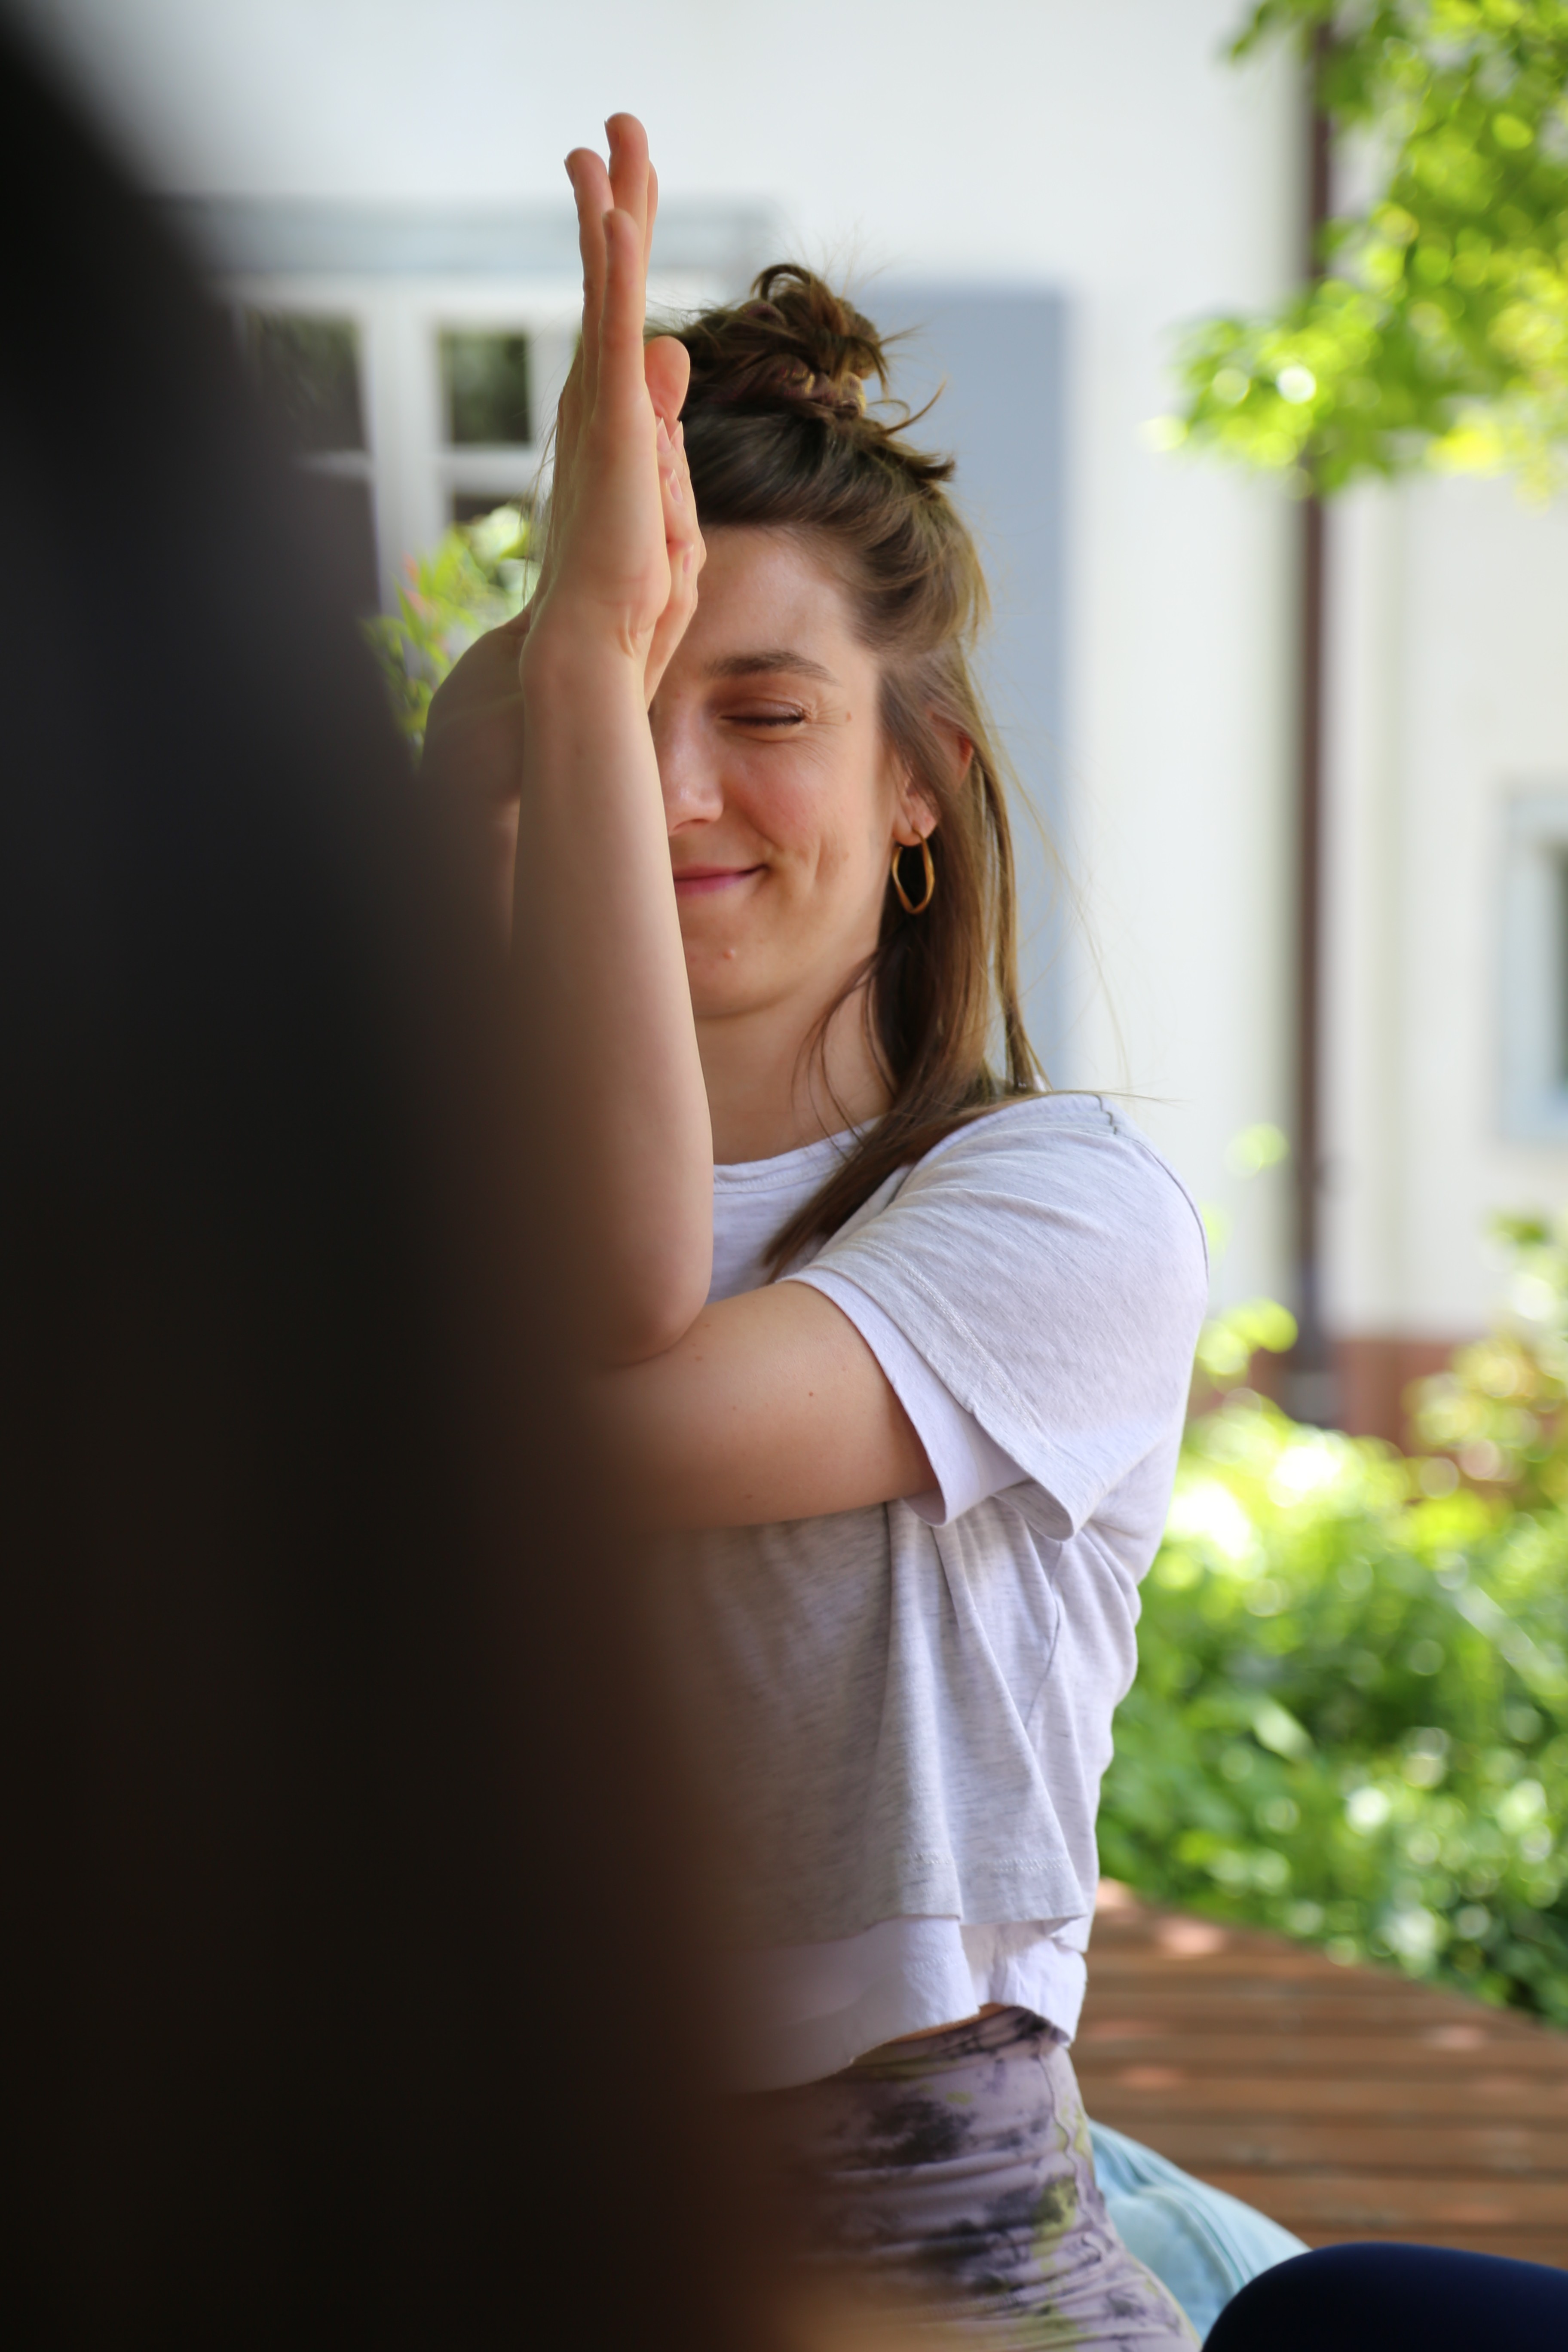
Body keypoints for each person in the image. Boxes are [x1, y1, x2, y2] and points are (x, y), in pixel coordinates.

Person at [430, 114, 1210, 2349]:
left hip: (914, 2245)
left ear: (916, 786)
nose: (672, 790)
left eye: (760, 712)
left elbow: (580, 1412)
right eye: (617, 719)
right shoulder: (410, 1217)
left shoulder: (1062, 1211)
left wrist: (586, 659)